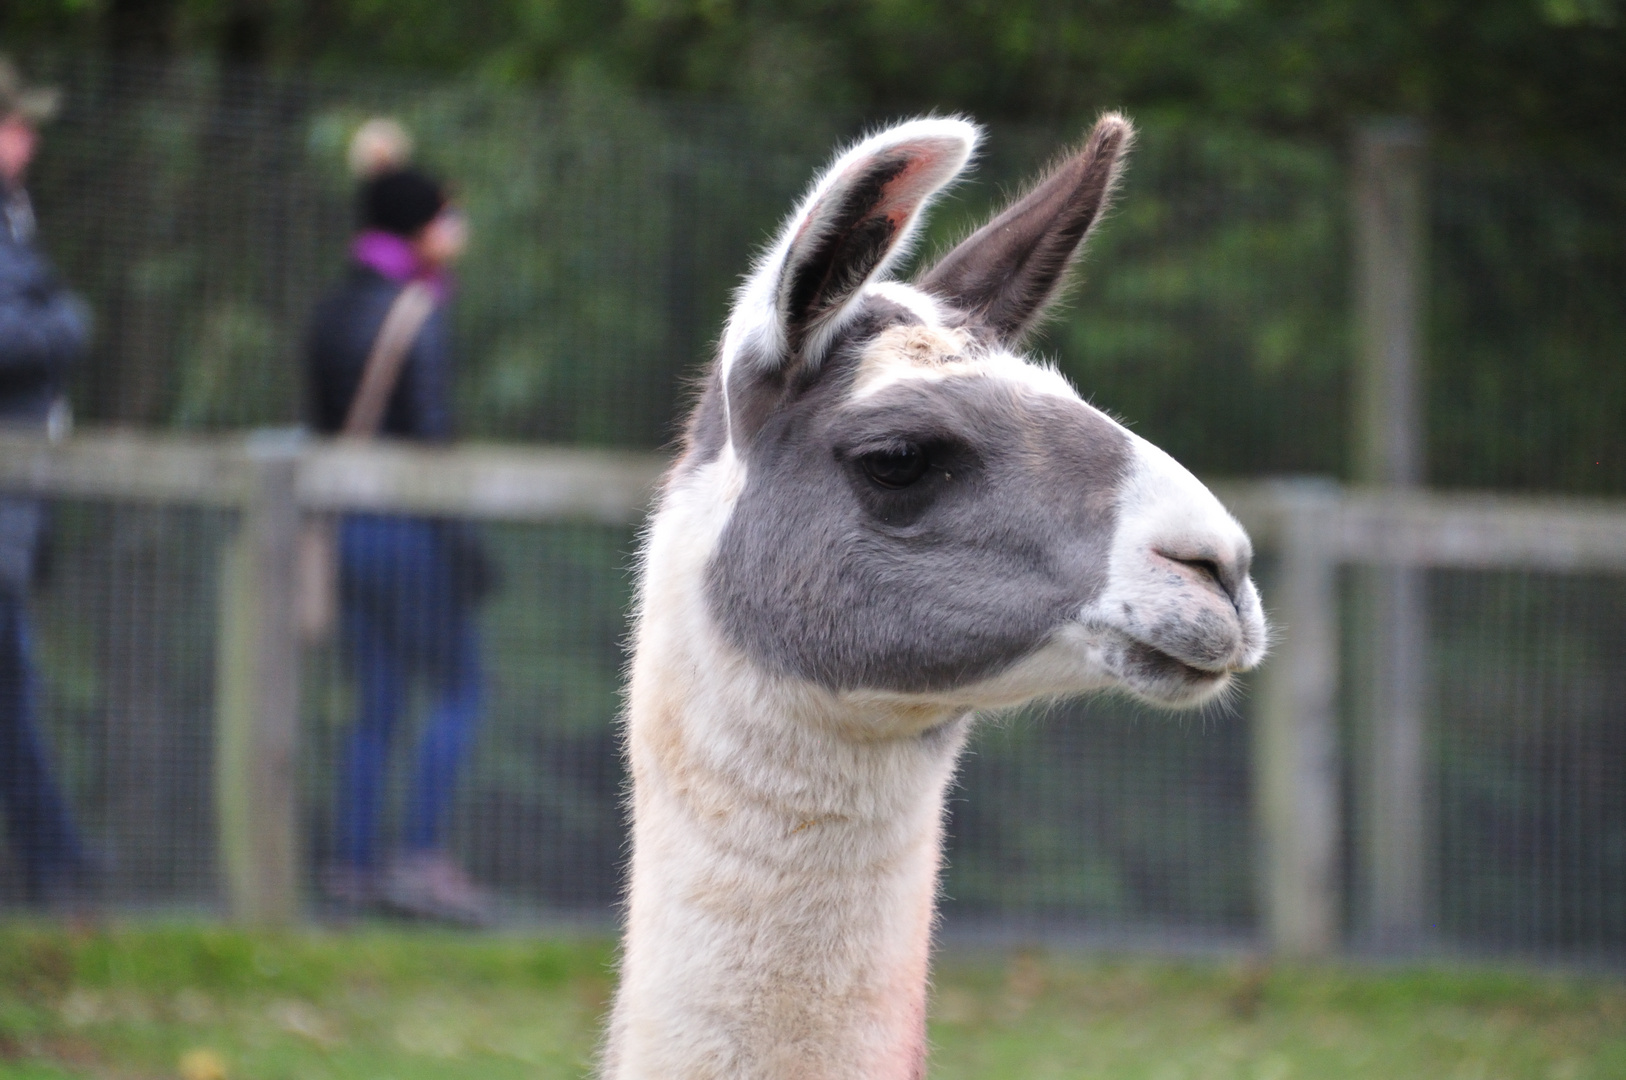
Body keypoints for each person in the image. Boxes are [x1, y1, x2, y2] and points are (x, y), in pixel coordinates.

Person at [307, 130, 494, 925]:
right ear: (419, 228)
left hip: (345, 528)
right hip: (406, 531)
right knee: (461, 686)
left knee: (377, 699)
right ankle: (419, 859)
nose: (459, 230)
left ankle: (350, 870)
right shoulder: (418, 312)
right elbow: (429, 441)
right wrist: (466, 549)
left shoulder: (330, 308)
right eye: (448, 216)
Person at [0, 57, 95, 907]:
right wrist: (67, 323)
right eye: (14, 123)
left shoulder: (13, 220)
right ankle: (65, 877)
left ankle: (62, 875)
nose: (26, 139)